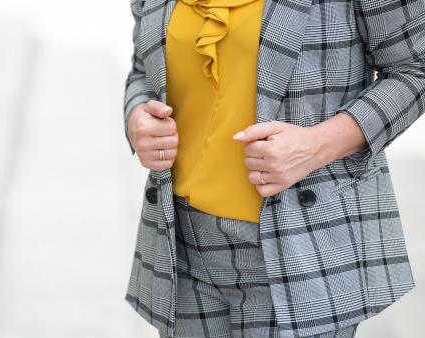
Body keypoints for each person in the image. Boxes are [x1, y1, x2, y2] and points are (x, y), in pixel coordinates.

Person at [122, 0, 425, 337]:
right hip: (180, 245)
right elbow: (142, 69)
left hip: (301, 247)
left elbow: (415, 69)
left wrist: (316, 145)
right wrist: (138, 119)